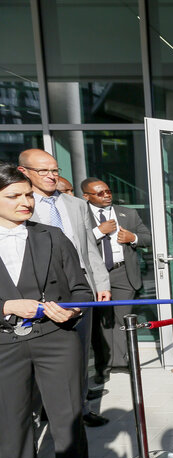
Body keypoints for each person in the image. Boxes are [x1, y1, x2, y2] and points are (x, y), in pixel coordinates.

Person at [0, 162, 98, 458]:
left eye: (28, 194)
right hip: (3, 346)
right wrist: (6, 305)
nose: (25, 201)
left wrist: (72, 310)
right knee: (11, 428)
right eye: (14, 196)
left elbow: (81, 290)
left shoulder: (51, 236)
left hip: (57, 340)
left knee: (68, 423)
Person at [19, 149, 111, 428]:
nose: (51, 176)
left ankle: (80, 407)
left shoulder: (75, 205)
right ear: (24, 172)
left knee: (79, 353)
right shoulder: (20, 205)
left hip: (79, 289)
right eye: (43, 171)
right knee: (35, 360)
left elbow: (89, 249)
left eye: (55, 170)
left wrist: (101, 282)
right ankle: (39, 412)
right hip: (36, 296)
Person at [81, 178, 151, 382]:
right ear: (86, 196)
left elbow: (148, 238)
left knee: (123, 320)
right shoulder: (80, 215)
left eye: (108, 191)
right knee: (101, 323)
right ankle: (103, 366)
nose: (107, 195)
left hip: (123, 273)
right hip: (94, 275)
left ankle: (122, 361)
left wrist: (133, 238)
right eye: (100, 193)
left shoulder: (127, 213)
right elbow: (73, 242)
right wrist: (97, 232)